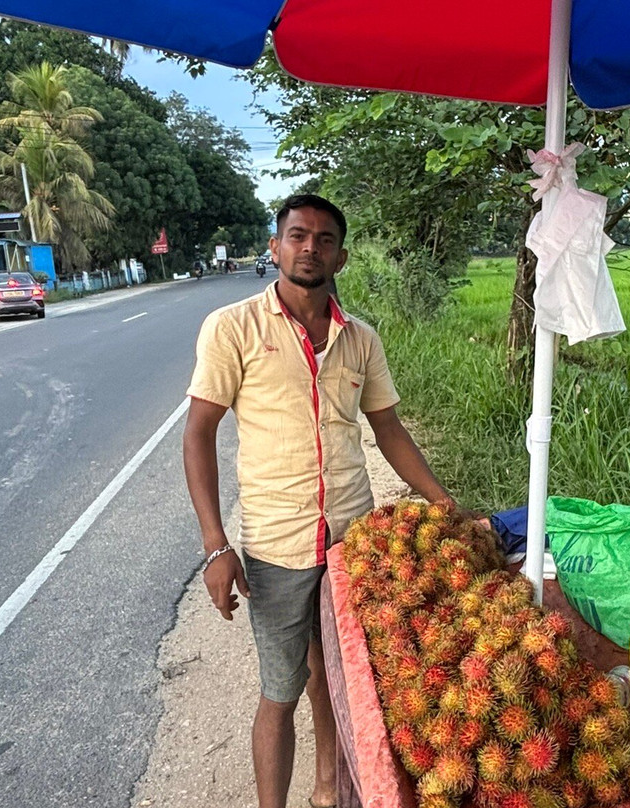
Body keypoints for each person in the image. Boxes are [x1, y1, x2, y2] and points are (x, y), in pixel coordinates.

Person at [182, 194, 459, 808]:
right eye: (299, 236)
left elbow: (389, 430)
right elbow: (199, 433)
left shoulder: (361, 340)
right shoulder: (234, 328)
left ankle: (328, 786)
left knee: (341, 678)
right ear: (276, 247)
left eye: (325, 239)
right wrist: (214, 547)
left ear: (342, 255)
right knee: (281, 690)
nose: (311, 248)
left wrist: (443, 502)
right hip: (278, 546)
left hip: (352, 543)